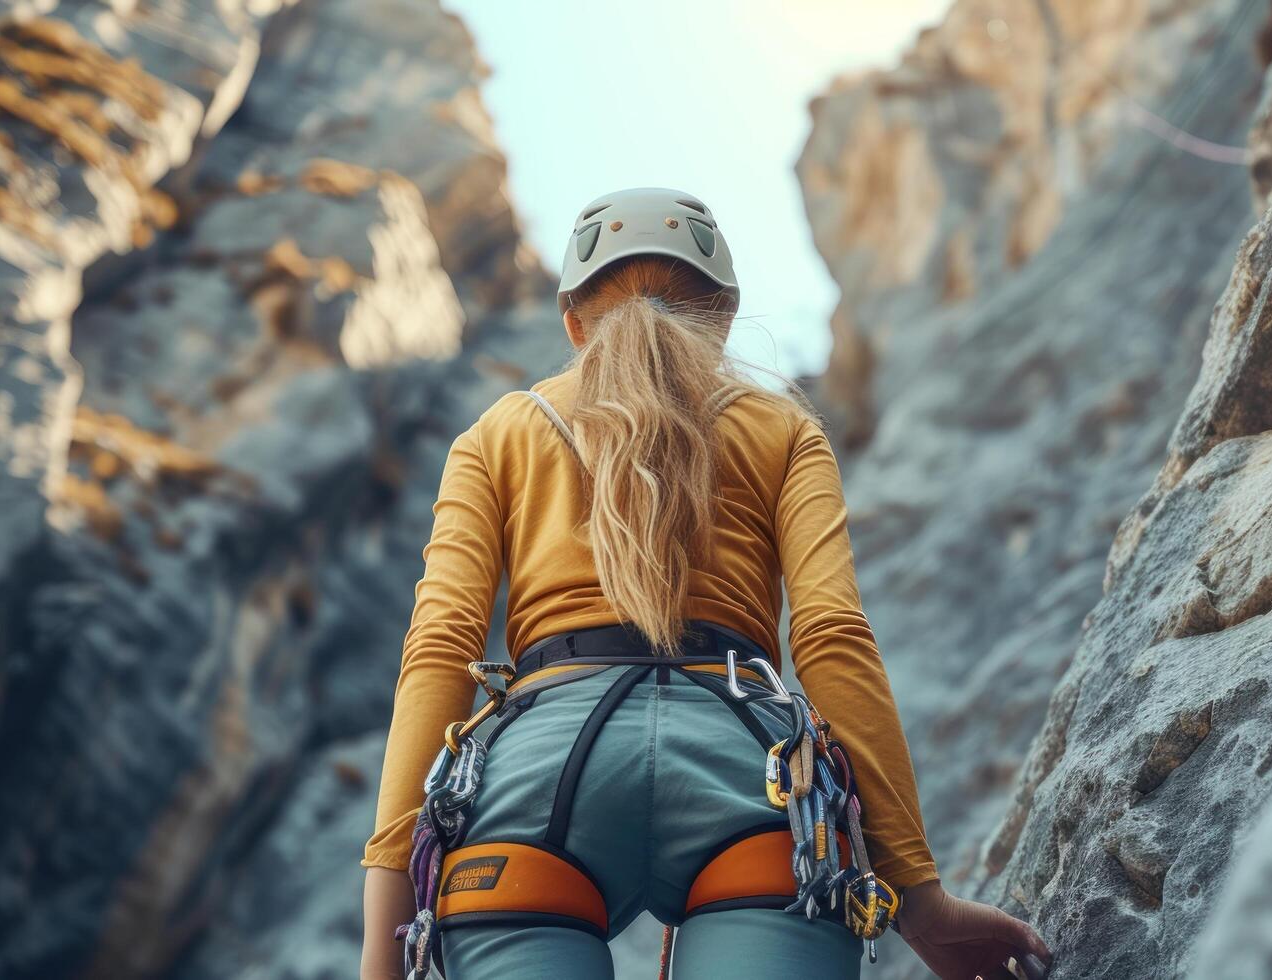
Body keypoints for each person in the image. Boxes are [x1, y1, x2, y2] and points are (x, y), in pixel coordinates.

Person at [359, 187, 1051, 980]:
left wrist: (382, 952)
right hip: (749, 771)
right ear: (722, 314)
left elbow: (440, 654)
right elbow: (830, 640)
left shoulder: (497, 435)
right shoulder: (784, 429)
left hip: (536, 782)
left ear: (573, 322)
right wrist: (923, 906)